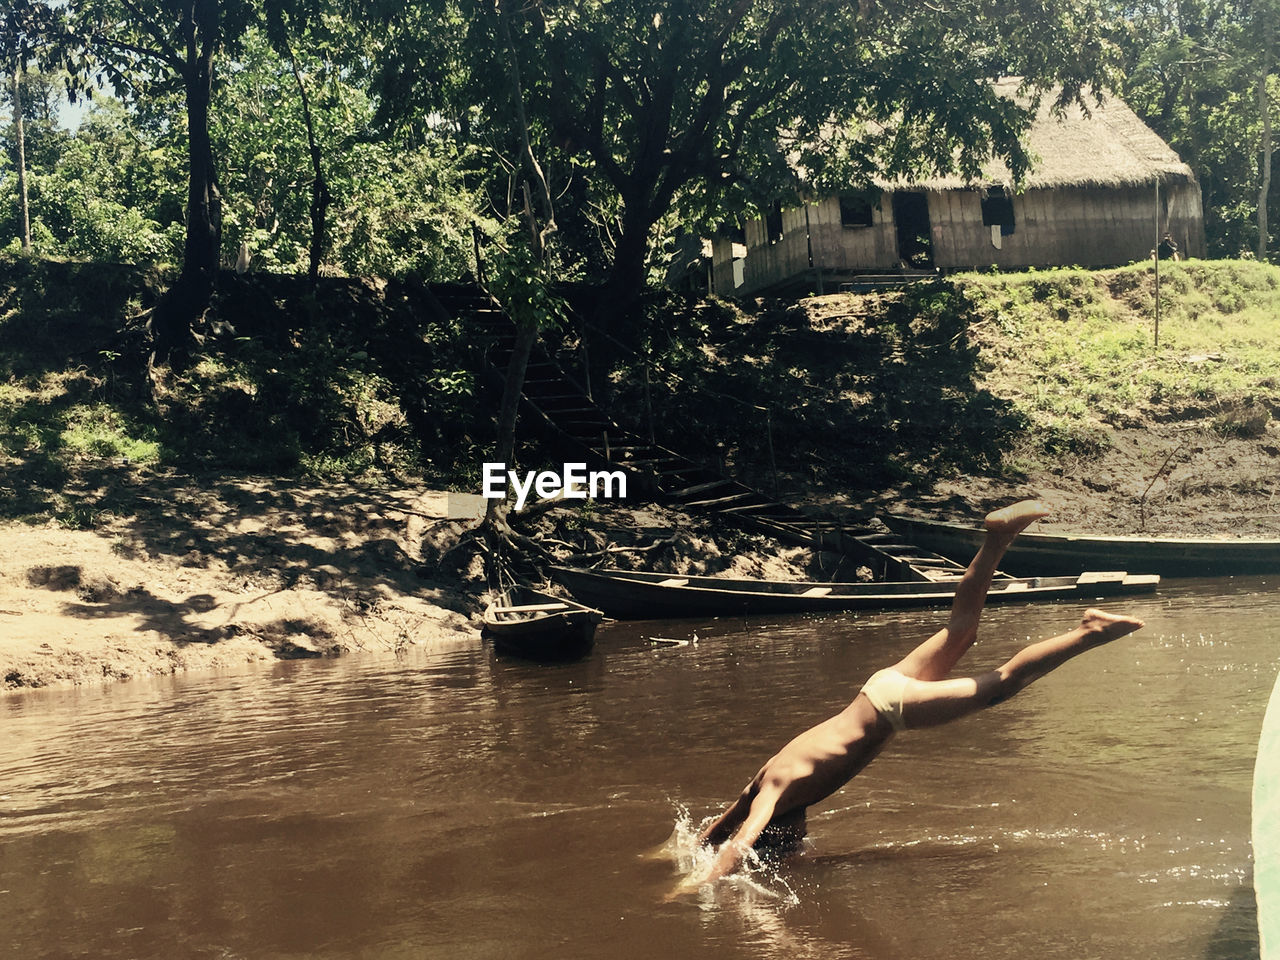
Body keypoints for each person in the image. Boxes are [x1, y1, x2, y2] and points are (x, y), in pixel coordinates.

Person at [680, 500, 1145, 890]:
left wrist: (700, 886)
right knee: (960, 631)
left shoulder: (776, 796)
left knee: (1002, 685)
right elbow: (720, 825)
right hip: (877, 688)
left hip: (891, 710)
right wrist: (676, 855)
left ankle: (1087, 632)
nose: (803, 836)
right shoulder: (761, 780)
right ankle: (997, 537)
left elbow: (741, 839)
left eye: (794, 838)